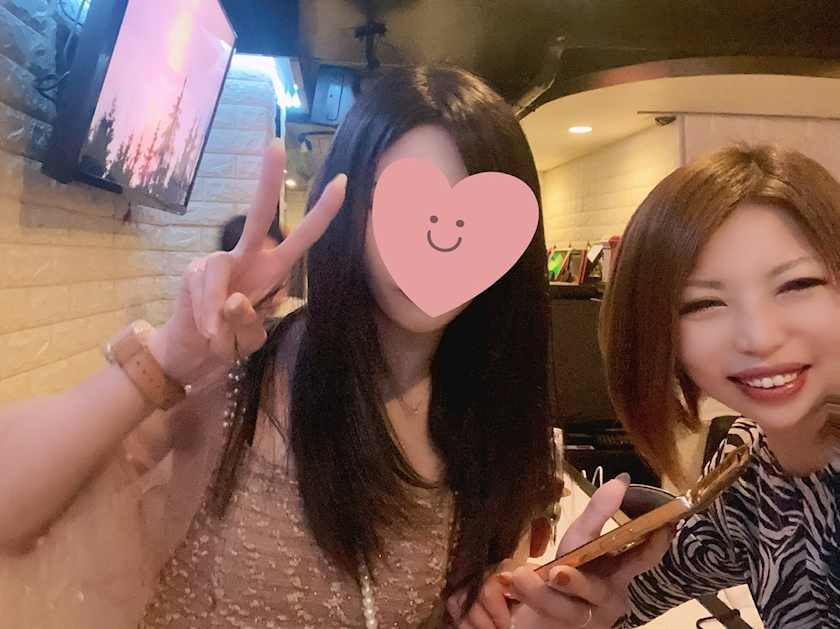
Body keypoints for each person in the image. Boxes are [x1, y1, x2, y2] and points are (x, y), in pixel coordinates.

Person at [0, 66, 670, 629]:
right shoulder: (243, 379)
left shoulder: (489, 420)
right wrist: (168, 358)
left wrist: (520, 609)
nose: (439, 240)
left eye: (473, 220)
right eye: (405, 207)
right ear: (349, 212)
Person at [599, 145, 840, 628]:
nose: (760, 338)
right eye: (703, 304)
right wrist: (570, 599)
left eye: (797, 285)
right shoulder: (747, 467)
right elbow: (630, 596)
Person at [218, 212, 305, 317]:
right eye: (257, 275)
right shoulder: (215, 319)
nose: (273, 298)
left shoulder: (300, 315)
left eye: (278, 275)